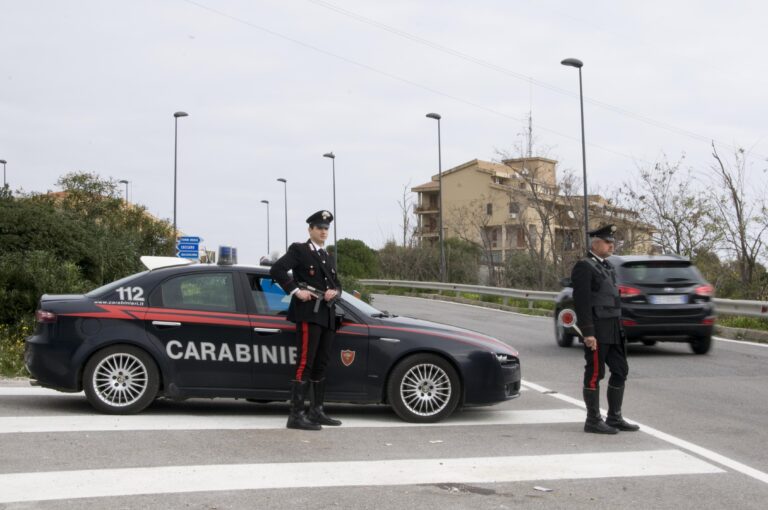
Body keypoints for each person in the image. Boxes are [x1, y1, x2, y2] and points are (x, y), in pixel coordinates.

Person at [270, 210, 343, 431]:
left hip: (327, 314)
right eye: (319, 228)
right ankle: (296, 415)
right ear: (310, 230)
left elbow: (338, 284)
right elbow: (277, 269)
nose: (323, 231)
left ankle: (316, 411)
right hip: (308, 312)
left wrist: (335, 292)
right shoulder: (300, 250)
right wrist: (295, 291)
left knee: (321, 364)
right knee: (305, 363)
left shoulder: (327, 256)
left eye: (326, 228)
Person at [571, 224, 640, 434]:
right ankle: (592, 420)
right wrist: (588, 333)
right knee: (595, 373)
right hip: (597, 329)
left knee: (621, 370)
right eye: (608, 242)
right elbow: (581, 302)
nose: (612, 245)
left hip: (613, 328)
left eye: (613, 242)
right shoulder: (584, 266)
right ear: (596, 243)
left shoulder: (608, 266)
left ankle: (614, 417)